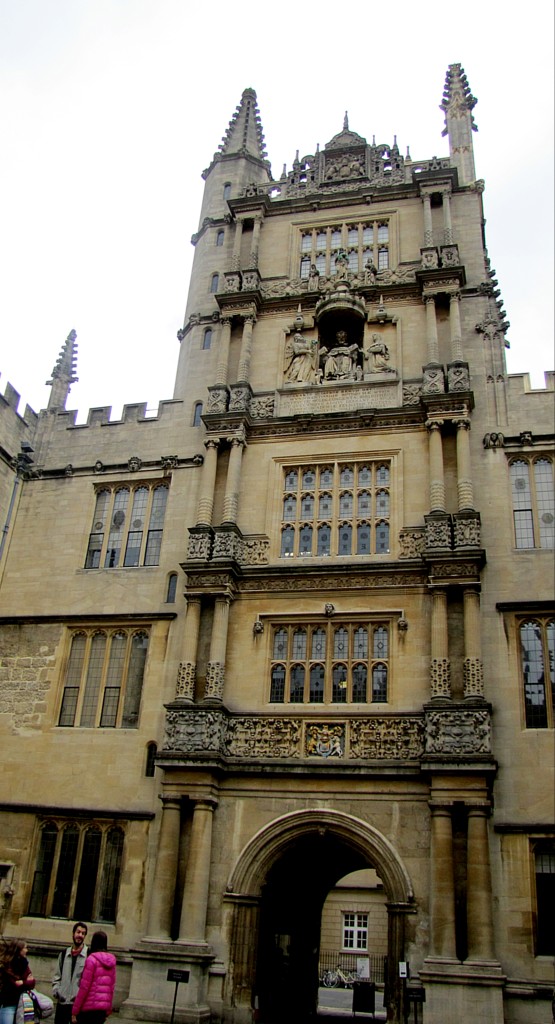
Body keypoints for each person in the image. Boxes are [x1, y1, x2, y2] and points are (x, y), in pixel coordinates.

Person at [71, 932, 116, 1024]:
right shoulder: (112, 962)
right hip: (102, 1010)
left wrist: (75, 1011)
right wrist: (108, 1009)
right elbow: (111, 987)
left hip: (88, 1009)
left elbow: (84, 987)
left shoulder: (91, 960)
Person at [52, 923, 88, 1024]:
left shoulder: (88, 955)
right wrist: (57, 991)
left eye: (83, 933)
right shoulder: (63, 954)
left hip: (78, 1006)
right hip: (62, 1003)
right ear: (73, 933)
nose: (80, 935)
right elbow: (57, 976)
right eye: (78, 932)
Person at [0, 939, 35, 1024]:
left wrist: (23, 982)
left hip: (22, 1004)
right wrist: (25, 981)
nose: (27, 950)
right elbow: (14, 984)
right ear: (19, 949)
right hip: (8, 1003)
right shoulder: (6, 965)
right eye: (25, 948)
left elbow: (32, 982)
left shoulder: (25, 964)